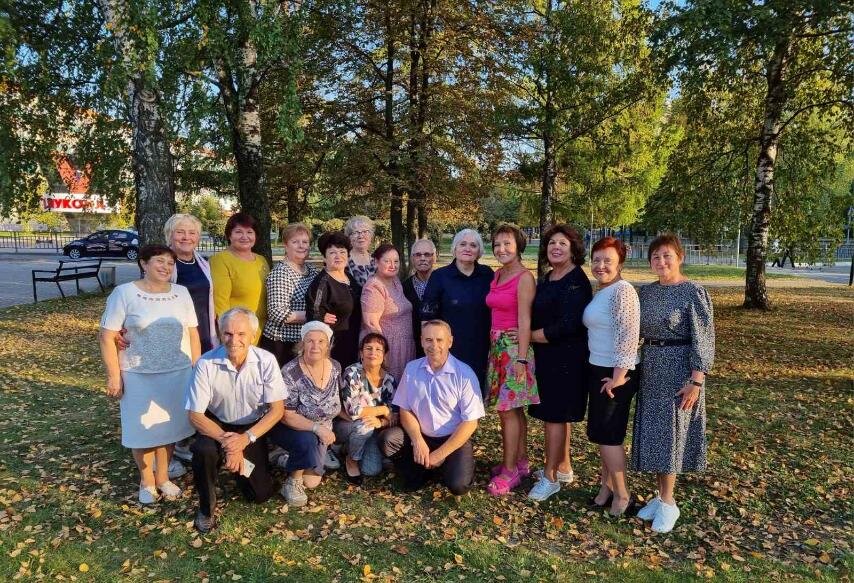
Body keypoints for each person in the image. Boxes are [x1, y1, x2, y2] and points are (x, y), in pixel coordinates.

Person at [98, 245, 200, 504]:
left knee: (168, 429)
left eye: (170, 263)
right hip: (138, 374)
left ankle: (163, 477)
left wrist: (196, 368)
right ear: (144, 263)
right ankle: (146, 481)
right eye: (159, 261)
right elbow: (107, 336)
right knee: (142, 431)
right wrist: (113, 376)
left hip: (177, 372)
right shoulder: (124, 293)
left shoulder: (181, 293)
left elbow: (192, 332)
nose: (166, 267)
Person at [631, 234, 715, 533]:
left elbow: (703, 339)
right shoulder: (646, 292)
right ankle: (660, 496)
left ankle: (669, 503)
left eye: (667, 255)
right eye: (655, 256)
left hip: (679, 373)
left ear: (680, 257)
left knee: (670, 436)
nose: (661, 261)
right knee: (654, 435)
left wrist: (697, 380)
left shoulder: (693, 292)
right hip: (651, 369)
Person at [185, 307, 286, 533]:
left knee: (259, 494)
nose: (234, 340)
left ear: (253, 335)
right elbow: (195, 415)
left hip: (252, 428)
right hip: (217, 424)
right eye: (228, 333)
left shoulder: (266, 361)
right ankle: (206, 507)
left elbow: (277, 410)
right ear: (221, 334)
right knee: (203, 451)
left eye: (241, 334)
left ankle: (240, 467)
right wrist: (229, 443)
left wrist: (245, 440)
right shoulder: (205, 363)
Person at [527, 225, 592, 502]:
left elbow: (567, 326)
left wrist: (528, 336)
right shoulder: (549, 277)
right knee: (557, 417)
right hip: (547, 357)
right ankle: (563, 467)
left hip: (567, 359)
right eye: (552, 242)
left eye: (562, 243)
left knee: (555, 417)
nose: (556, 247)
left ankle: (550, 477)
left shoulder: (577, 281)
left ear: (573, 249)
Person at [388, 320, 485, 495]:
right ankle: (423, 470)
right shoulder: (411, 369)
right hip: (421, 435)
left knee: (459, 486)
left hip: (452, 438)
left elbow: (470, 422)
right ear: (421, 341)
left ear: (450, 341)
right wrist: (417, 441)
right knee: (388, 440)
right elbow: (405, 409)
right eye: (428, 340)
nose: (434, 346)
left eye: (439, 340)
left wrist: (440, 454)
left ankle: (446, 464)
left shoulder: (464, 374)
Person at [582, 236, 640, 517]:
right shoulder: (604, 290)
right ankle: (606, 489)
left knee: (609, 437)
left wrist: (618, 376)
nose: (600, 265)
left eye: (608, 260)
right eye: (596, 260)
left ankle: (622, 495)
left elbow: (629, 334)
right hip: (599, 368)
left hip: (616, 373)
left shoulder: (623, 291)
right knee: (602, 434)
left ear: (620, 264)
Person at [485, 225, 539, 496]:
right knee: (513, 410)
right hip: (497, 349)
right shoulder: (498, 274)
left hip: (515, 352)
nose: (501, 249)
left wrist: (520, 359)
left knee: (508, 411)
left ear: (518, 246)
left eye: (507, 243)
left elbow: (525, 320)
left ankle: (509, 472)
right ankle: (520, 461)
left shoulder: (524, 278)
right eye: (497, 244)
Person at [269, 321, 342, 507]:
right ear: (302, 344)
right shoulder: (290, 372)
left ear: (328, 345)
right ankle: (292, 482)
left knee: (311, 482)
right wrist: (318, 429)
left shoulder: (335, 367)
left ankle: (286, 457)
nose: (315, 346)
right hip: (294, 427)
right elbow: (286, 414)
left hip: (323, 428)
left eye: (321, 341)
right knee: (306, 443)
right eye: (310, 341)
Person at [421, 229, 493, 393]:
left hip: (480, 349)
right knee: (447, 395)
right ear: (455, 248)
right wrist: (430, 348)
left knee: (475, 396)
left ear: (479, 251)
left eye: (473, 245)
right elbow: (427, 317)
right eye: (463, 244)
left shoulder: (487, 275)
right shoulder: (440, 276)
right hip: (448, 350)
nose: (468, 248)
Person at [334, 333, 398, 484]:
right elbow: (354, 411)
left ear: (385, 355)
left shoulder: (390, 380)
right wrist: (383, 410)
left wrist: (381, 423)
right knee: (364, 426)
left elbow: (395, 415)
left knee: (371, 470)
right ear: (361, 353)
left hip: (373, 428)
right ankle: (352, 460)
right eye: (368, 348)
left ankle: (346, 449)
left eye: (378, 349)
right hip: (346, 425)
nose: (373, 353)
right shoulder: (352, 372)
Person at [262, 223, 320, 366]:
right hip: (282, 343)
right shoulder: (281, 273)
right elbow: (277, 312)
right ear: (286, 246)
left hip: (304, 340)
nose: (301, 246)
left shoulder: (312, 271)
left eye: (305, 242)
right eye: (295, 242)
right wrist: (313, 315)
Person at [210, 212, 270, 344]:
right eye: (238, 232)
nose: (245, 237)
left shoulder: (262, 260)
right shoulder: (220, 260)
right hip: (238, 333)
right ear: (229, 235)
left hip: (263, 330)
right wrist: (229, 333)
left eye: (249, 232)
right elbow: (220, 303)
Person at [305, 231, 361, 369]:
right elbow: (313, 314)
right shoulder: (322, 283)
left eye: (342, 252)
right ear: (324, 257)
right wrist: (320, 316)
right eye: (332, 253)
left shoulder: (349, 277)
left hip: (354, 340)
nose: (338, 256)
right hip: (335, 347)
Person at [361, 244, 416, 380]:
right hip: (389, 350)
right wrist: (381, 353)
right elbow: (371, 325)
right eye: (387, 261)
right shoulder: (374, 287)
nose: (393, 265)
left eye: (396, 261)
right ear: (376, 262)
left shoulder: (395, 281)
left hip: (404, 347)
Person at [402, 238, 437, 358]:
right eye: (418, 255)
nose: (422, 258)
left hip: (439, 346)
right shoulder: (404, 287)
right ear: (412, 259)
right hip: (414, 347)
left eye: (427, 254)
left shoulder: (443, 282)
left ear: (434, 257)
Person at [345, 215, 377, 286]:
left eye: (365, 231)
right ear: (349, 237)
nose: (361, 236)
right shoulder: (343, 260)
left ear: (371, 236)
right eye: (355, 232)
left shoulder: (377, 259)